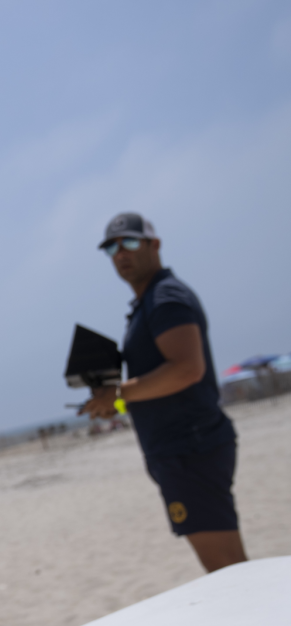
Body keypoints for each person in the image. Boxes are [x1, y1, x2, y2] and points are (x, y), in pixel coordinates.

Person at [81, 212, 247, 573]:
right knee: (228, 565)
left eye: (129, 242)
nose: (120, 253)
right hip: (183, 448)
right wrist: (114, 400)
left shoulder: (166, 297)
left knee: (227, 568)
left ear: (154, 245)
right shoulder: (148, 303)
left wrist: (118, 394)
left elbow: (187, 369)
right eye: (111, 247)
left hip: (190, 447)